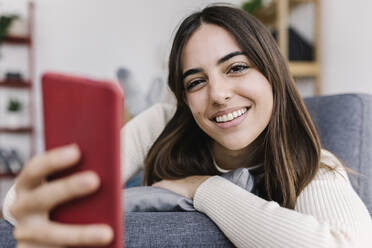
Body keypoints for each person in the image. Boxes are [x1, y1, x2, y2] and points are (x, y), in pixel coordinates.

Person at [3, 4, 372, 248]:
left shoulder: (314, 164)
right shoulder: (162, 123)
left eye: (236, 67)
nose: (219, 94)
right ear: (183, 96)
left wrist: (202, 188)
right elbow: (16, 205)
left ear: (272, 74)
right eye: (196, 82)